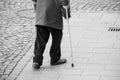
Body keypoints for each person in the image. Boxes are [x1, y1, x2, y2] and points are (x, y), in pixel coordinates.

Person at [32, 0, 70, 69]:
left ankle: (37, 60)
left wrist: (35, 7)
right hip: (54, 16)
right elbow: (65, 3)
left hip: (41, 15)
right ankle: (55, 58)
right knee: (57, 38)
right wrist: (67, 15)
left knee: (40, 40)